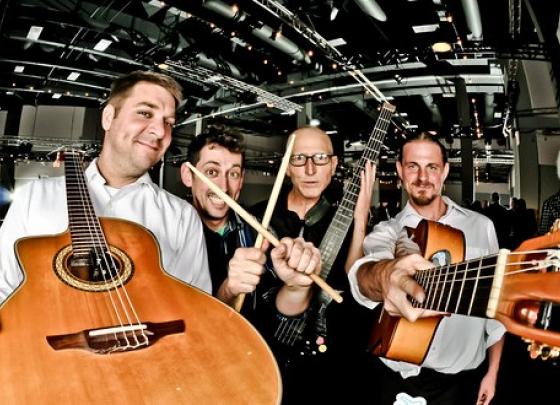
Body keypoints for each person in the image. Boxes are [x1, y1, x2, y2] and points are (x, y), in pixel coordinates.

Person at [0, 70, 211, 303]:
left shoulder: (182, 217)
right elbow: (2, 287)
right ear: (108, 117)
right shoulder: (34, 197)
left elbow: (194, 307)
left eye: (168, 122)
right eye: (145, 113)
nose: (160, 131)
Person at [348, 132, 505, 405]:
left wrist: (492, 373)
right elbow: (366, 275)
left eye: (431, 167)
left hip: (463, 381)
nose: (423, 177)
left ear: (444, 171)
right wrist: (386, 274)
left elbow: (495, 312)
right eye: (413, 166)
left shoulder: (481, 227)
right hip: (401, 381)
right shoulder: (387, 231)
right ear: (400, 170)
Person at [251, 126, 377, 404]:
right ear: (287, 167)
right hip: (268, 356)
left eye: (320, 158)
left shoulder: (344, 219)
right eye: (299, 159)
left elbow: (354, 282)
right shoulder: (259, 216)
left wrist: (360, 221)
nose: (310, 170)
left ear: (333, 164)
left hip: (331, 367)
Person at [180, 128, 321, 323]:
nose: (223, 187)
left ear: (241, 180)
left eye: (234, 174)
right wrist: (228, 290)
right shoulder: (169, 231)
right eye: (212, 172)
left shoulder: (259, 231)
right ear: (188, 175)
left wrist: (295, 288)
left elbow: (275, 312)